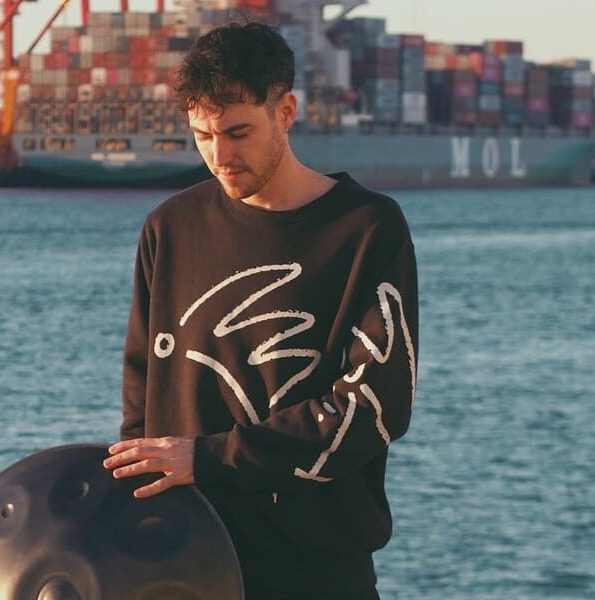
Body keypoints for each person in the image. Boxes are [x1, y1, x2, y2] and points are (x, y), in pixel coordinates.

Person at [102, 21, 418, 599]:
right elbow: (141, 411)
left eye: (238, 132)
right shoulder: (168, 229)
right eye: (202, 135)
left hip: (318, 574)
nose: (219, 156)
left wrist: (209, 459)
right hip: (188, 569)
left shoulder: (366, 230)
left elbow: (374, 407)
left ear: (287, 111)